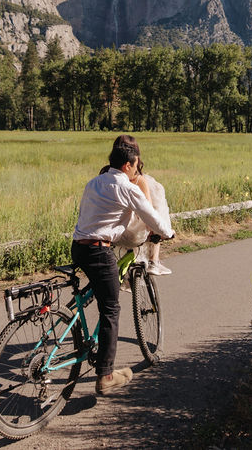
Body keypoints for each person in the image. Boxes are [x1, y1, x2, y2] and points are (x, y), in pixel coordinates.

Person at [72, 139, 175, 394]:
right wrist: (168, 233)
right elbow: (151, 216)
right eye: (135, 166)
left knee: (99, 288)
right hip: (99, 250)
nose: (136, 170)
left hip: (79, 247)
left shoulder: (94, 182)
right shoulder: (127, 187)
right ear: (128, 165)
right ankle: (106, 375)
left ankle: (75, 325)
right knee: (111, 309)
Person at [108, 136, 172, 275]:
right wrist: (158, 232)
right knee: (157, 200)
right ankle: (154, 260)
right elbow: (149, 211)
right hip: (135, 232)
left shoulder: (106, 176)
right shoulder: (139, 181)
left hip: (114, 230)